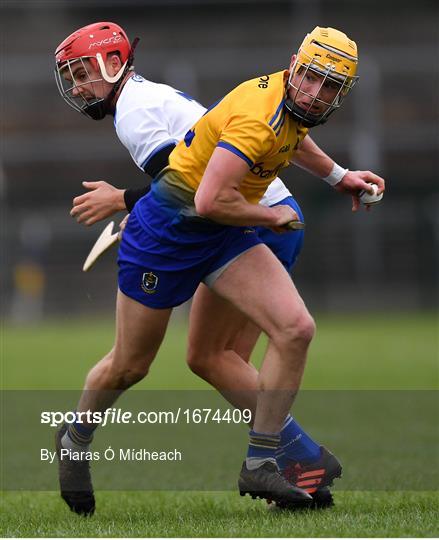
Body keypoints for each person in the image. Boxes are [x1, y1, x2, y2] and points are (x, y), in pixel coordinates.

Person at [54, 22, 385, 516]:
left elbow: (205, 190)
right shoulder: (265, 97)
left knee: (277, 335)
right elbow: (195, 186)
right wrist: (132, 209)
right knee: (136, 364)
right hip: (188, 231)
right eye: (311, 78)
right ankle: (75, 437)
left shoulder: (139, 110)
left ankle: (276, 459)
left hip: (234, 220)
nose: (77, 86)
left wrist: (123, 202)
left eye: (82, 73)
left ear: (112, 65)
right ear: (294, 68)